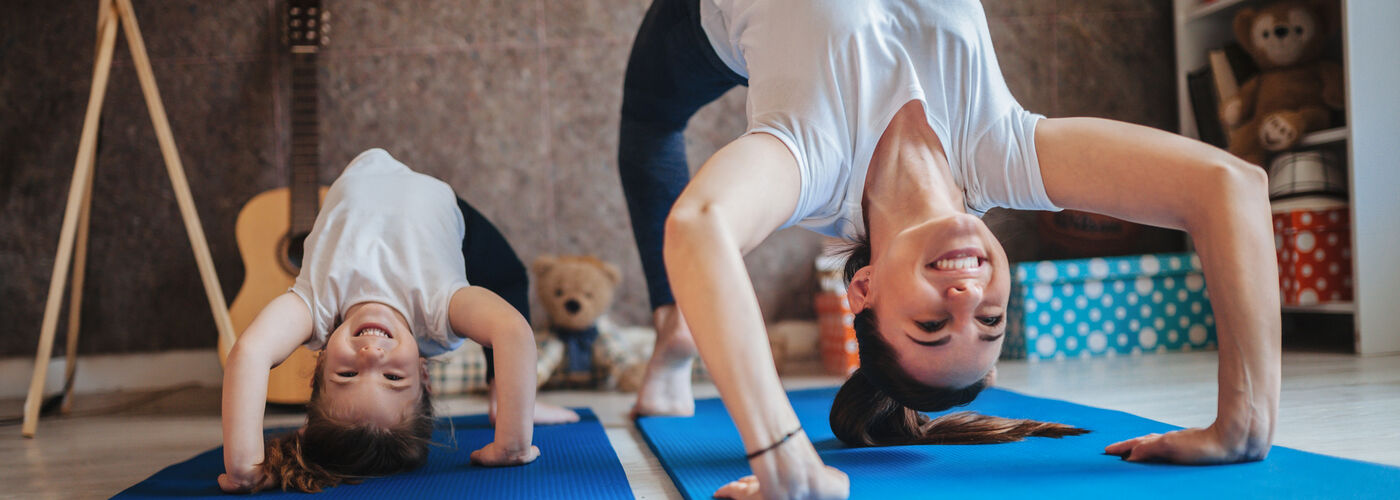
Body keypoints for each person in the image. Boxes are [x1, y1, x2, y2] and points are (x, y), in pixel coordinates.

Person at [617, 1, 1280, 498]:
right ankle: (683, 328)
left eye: (931, 325)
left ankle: (678, 324)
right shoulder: (1002, 152)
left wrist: (782, 454)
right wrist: (1243, 424)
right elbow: (1231, 186)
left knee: (650, 121)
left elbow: (699, 223)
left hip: (708, 22)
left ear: (864, 289)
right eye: (991, 321)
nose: (967, 300)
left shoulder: (814, 162)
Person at [219, 149, 579, 493]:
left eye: (347, 375)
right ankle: (505, 396)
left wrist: (244, 465)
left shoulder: (315, 309)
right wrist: (513, 441)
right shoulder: (440, 312)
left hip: (359, 178)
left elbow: (250, 352)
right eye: (393, 377)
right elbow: (513, 330)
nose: (371, 355)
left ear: (319, 365)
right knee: (509, 279)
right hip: (434, 202)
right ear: (424, 373)